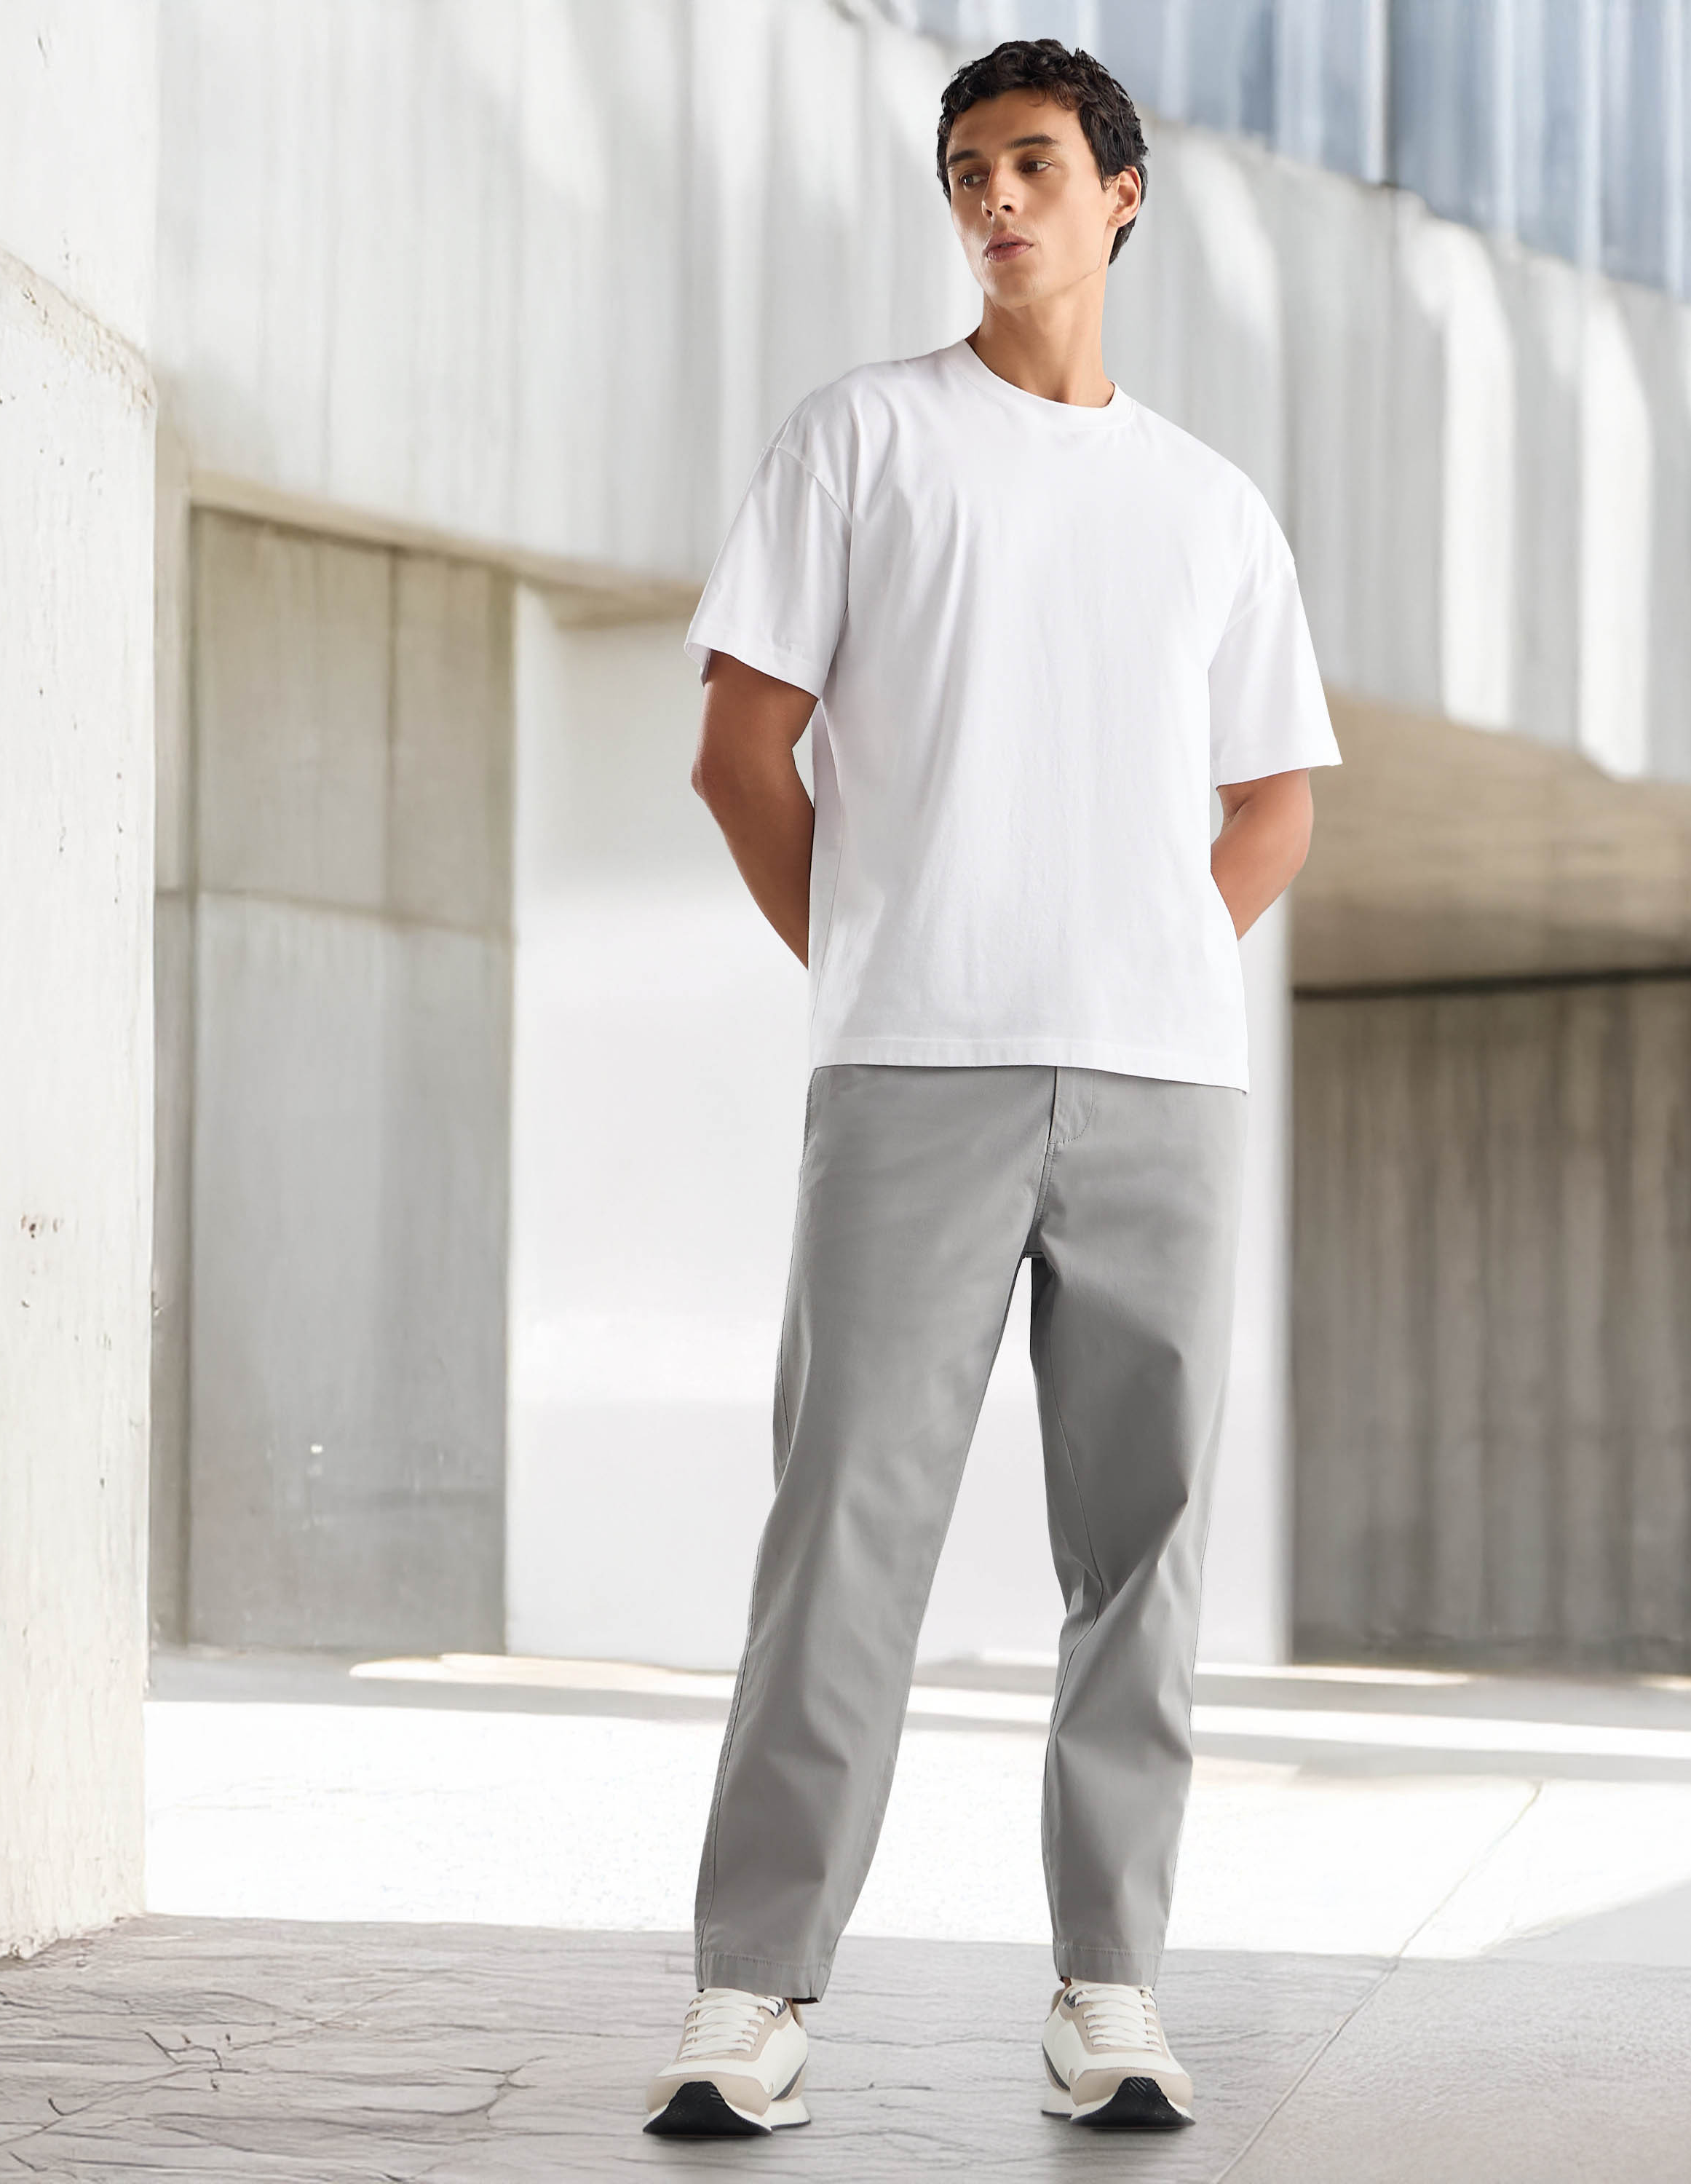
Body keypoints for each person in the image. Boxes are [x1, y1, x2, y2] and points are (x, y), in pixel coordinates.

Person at [643, 35, 1336, 2139]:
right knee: (844, 1529)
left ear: (1122, 193)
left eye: (1033, 162)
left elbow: (1277, 804)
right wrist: (878, 959)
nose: (995, 200)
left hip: (1162, 1088)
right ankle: (751, 1993)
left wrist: (1153, 953)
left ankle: (1111, 1988)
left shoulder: (1212, 505)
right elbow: (738, 754)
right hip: (911, 1076)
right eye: (966, 172)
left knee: (1143, 1550)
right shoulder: (861, 438)